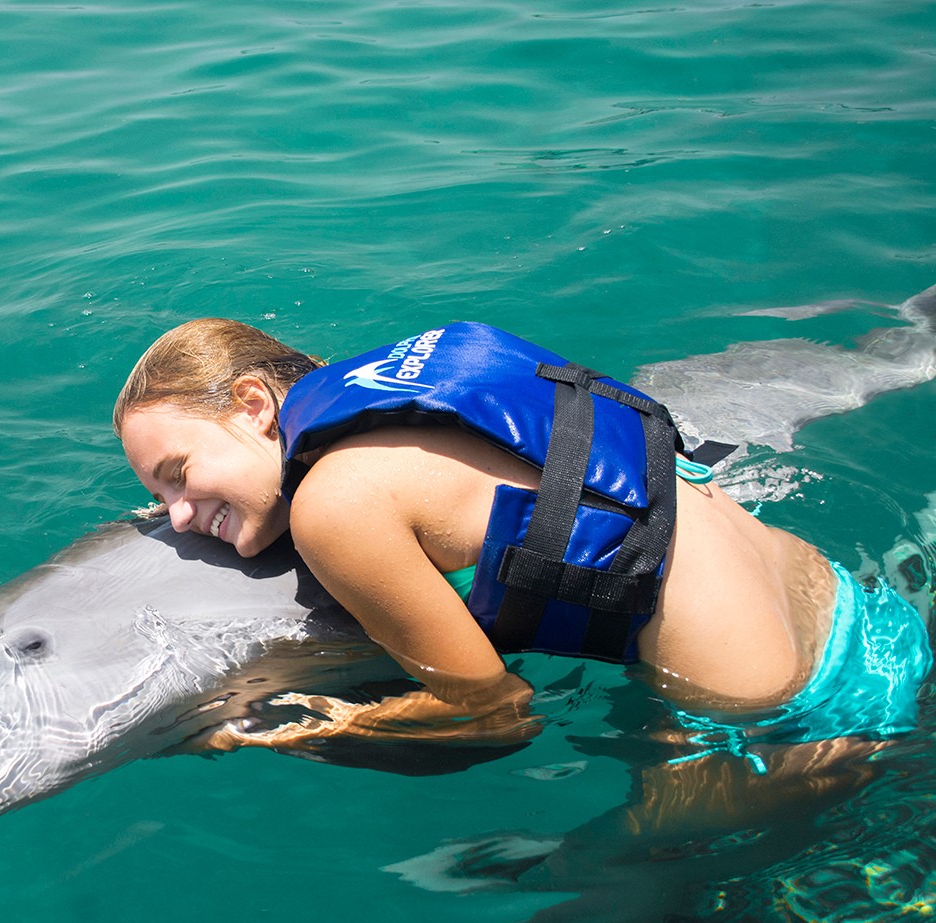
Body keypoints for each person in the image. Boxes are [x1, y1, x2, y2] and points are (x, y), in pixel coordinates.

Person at [114, 318, 933, 764]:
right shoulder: (413, 386)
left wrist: (292, 727)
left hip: (770, 714)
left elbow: (495, 716)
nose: (177, 514)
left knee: (580, 918)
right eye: (159, 499)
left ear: (254, 404)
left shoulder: (336, 505)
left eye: (178, 474)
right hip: (859, 614)